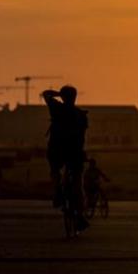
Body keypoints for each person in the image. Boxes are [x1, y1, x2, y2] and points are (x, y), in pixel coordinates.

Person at [43, 85, 89, 232]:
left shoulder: (56, 107)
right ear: (75, 97)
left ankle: (57, 191)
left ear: (62, 97)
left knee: (55, 170)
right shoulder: (81, 115)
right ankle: (80, 216)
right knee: (77, 183)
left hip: (57, 150)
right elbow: (82, 137)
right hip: (74, 152)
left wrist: (59, 94)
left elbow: (46, 94)